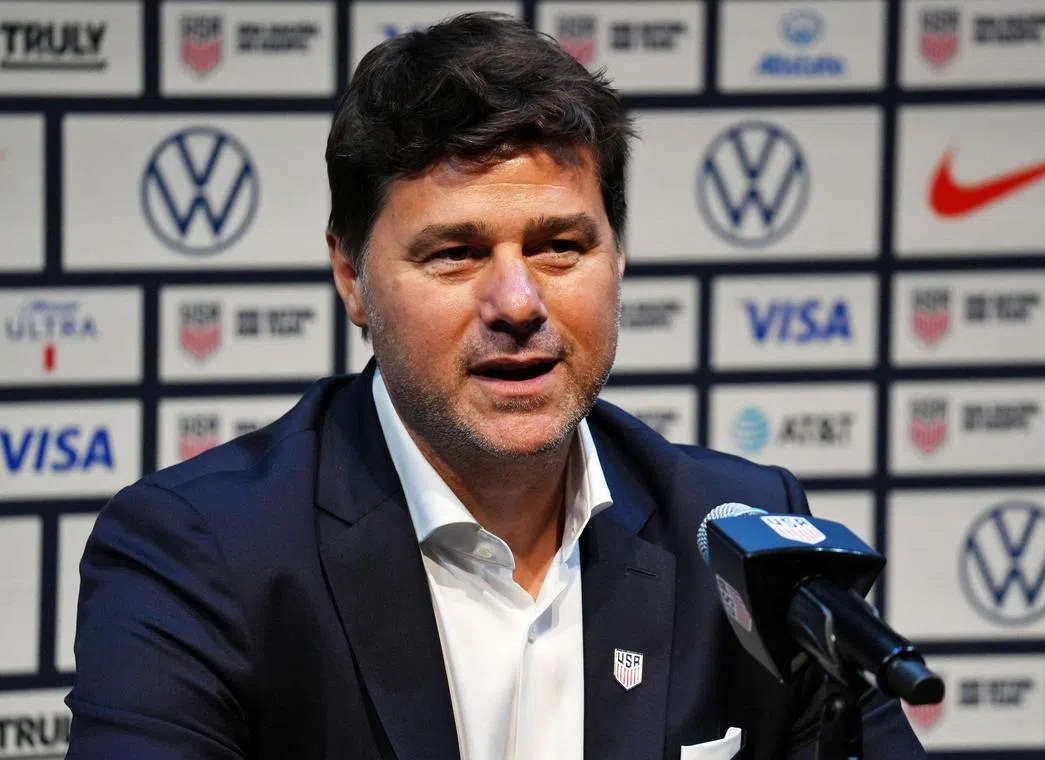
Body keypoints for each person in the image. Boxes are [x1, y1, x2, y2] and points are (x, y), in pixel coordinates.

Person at [66, 13, 925, 760]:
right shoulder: (200, 553)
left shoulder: (741, 540)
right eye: (456, 252)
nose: (518, 303)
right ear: (352, 276)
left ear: (617, 259)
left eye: (560, 246)